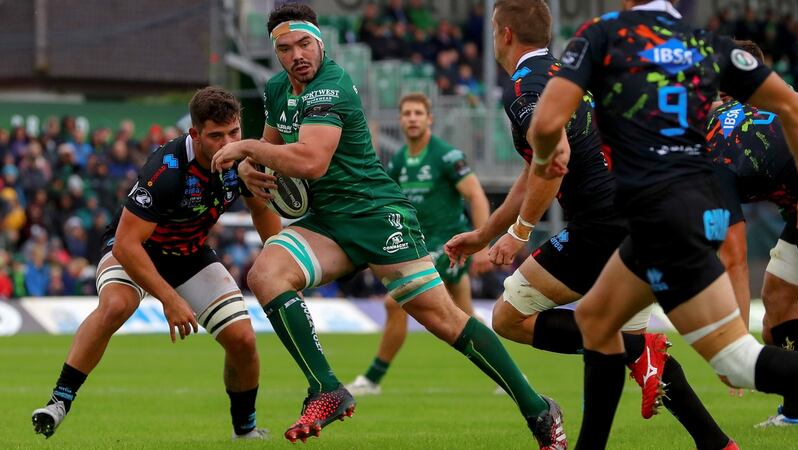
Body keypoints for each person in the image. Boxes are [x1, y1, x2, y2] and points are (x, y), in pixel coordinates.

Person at [211, 4, 565, 448]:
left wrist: (244, 148)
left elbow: (311, 161)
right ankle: (327, 389)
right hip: (327, 223)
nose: (296, 54)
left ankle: (538, 410)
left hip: (376, 215)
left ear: (319, 41)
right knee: (265, 273)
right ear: (276, 53)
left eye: (304, 43)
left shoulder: (332, 84)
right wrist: (248, 167)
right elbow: (270, 149)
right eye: (285, 48)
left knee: (444, 319)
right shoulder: (279, 88)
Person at [446, 2, 735, 449]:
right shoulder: (568, 74)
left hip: (601, 224)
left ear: (504, 34)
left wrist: (520, 233)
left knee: (510, 315)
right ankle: (718, 444)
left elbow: (552, 159)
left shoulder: (525, 88)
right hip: (638, 214)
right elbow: (533, 169)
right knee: (631, 341)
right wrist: (485, 234)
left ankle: (637, 356)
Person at [529, 0, 798, 448]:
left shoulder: (606, 34)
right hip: (687, 208)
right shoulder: (706, 43)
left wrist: (545, 153)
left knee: (736, 360)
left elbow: (546, 120)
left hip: (663, 213)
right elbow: (792, 107)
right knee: (597, 319)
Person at [31, 87, 281, 440]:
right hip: (136, 249)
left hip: (189, 254)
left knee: (243, 340)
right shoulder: (167, 168)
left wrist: (276, 257)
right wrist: (170, 299)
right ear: (195, 134)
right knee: (118, 303)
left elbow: (261, 210)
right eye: (216, 135)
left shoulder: (244, 161)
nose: (228, 143)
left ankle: (245, 430)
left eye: (234, 133)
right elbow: (127, 244)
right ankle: (59, 401)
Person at [346, 92, 492, 396]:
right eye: (407, 113)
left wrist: (482, 244)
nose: (412, 118)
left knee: (395, 301)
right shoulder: (399, 160)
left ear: (429, 119)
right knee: (464, 318)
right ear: (400, 120)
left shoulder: (447, 156)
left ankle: (372, 380)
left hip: (448, 245)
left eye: (418, 113)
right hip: (418, 246)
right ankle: (508, 377)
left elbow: (476, 195)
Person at [710, 41, 798, 428]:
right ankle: (795, 413)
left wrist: (735, 349)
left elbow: (734, 258)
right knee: (777, 304)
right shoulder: (783, 99)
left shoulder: (713, 141)